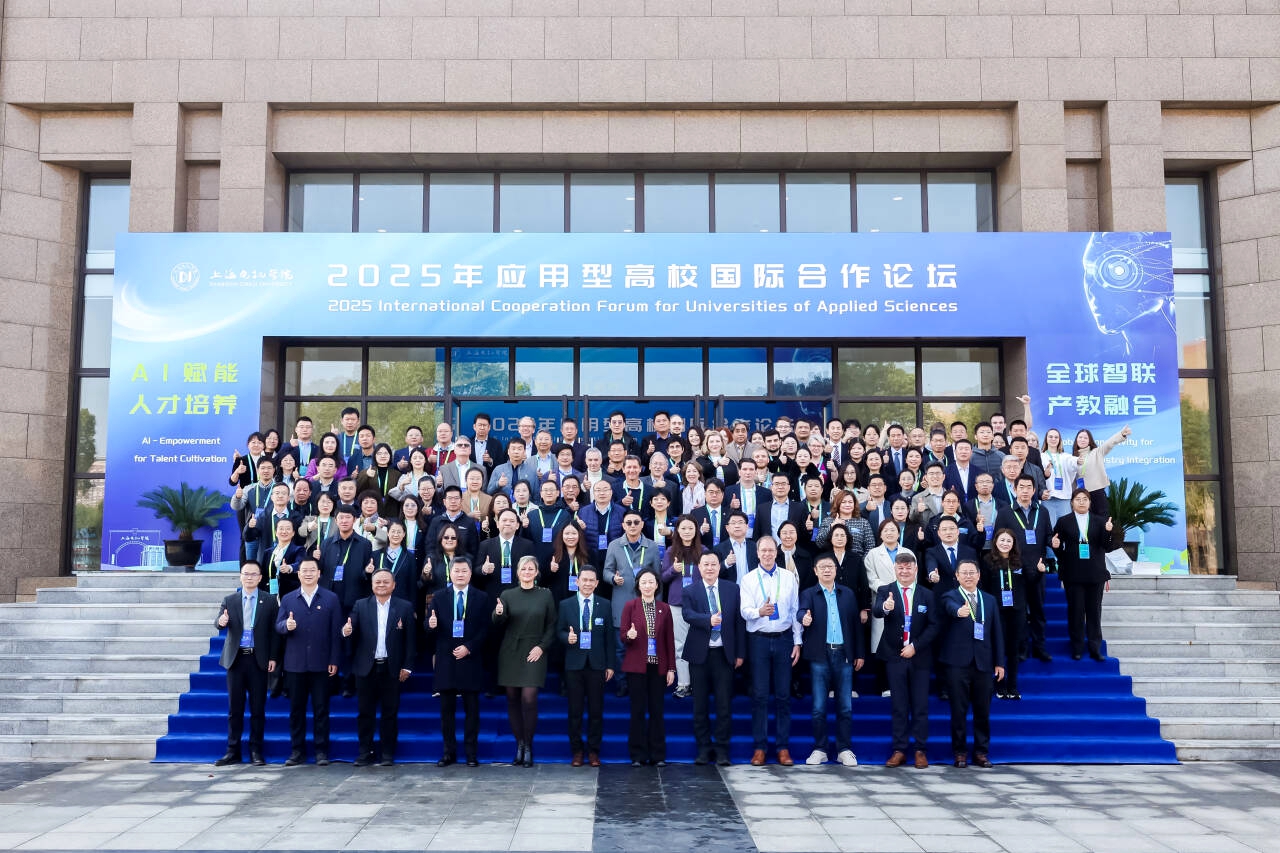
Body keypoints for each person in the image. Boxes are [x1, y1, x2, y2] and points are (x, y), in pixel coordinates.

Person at [873, 551, 940, 769]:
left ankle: (920, 750)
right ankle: (899, 750)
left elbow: (934, 625)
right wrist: (886, 607)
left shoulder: (927, 594)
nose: (904, 572)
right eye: (900, 568)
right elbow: (876, 611)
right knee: (899, 706)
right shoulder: (886, 591)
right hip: (894, 657)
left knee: (920, 706)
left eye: (908, 568)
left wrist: (915, 646)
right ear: (895, 569)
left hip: (920, 657)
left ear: (915, 569)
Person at [739, 535, 802, 766]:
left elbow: (795, 610)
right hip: (759, 640)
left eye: (771, 550)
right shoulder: (748, 579)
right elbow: (744, 611)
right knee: (760, 696)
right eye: (763, 550)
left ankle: (783, 747)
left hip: (784, 639)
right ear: (757, 553)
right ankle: (760, 748)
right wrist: (759, 612)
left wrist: (797, 642)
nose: (767, 554)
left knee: (784, 695)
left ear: (777, 552)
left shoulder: (788, 577)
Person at [342, 568, 415, 767]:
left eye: (385, 582)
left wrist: (408, 666)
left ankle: (387, 753)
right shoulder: (360, 605)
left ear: (394, 585)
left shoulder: (405, 607)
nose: (381, 585)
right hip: (366, 668)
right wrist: (346, 631)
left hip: (392, 668)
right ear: (372, 584)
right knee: (365, 713)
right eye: (378, 582)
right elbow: (351, 629)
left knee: (390, 713)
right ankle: (365, 752)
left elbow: (410, 641)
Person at [798, 555, 865, 767]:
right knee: (819, 707)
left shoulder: (847, 594)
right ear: (815, 571)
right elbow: (801, 611)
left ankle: (844, 749)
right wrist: (804, 618)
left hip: (844, 654)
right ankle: (820, 749)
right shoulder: (809, 593)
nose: (827, 570)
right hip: (820, 655)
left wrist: (859, 653)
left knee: (845, 706)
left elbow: (856, 625)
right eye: (822, 567)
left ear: (836, 570)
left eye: (830, 566)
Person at [275, 558, 342, 766]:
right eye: (304, 570)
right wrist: (287, 625)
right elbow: (278, 626)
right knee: (296, 710)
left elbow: (336, 632)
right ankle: (297, 751)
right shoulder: (288, 599)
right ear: (298, 574)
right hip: (295, 664)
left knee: (321, 709)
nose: (308, 574)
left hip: (321, 663)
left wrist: (334, 659)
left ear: (319, 573)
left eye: (312, 570)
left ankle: (321, 751)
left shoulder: (331, 598)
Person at [681, 550, 745, 766]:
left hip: (724, 655)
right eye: (705, 564)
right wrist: (708, 620)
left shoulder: (732, 589)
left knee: (724, 705)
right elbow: (687, 615)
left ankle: (722, 750)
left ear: (720, 566)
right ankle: (703, 749)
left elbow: (738, 622)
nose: (709, 568)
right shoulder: (690, 590)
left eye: (713, 564)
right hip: (699, 655)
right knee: (700, 705)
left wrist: (740, 653)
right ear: (699, 568)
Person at [939, 560, 1006, 768]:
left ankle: (981, 752)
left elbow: (997, 633)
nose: (968, 576)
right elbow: (950, 608)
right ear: (957, 576)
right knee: (958, 711)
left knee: (982, 711)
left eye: (972, 572)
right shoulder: (950, 596)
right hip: (957, 663)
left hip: (983, 663)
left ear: (978, 575)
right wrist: (959, 611)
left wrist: (999, 662)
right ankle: (960, 753)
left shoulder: (989, 600)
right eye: (964, 573)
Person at [214, 562, 281, 767]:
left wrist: (273, 657)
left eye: (254, 574)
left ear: (260, 577)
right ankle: (232, 750)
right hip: (236, 659)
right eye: (246, 574)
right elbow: (218, 622)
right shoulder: (230, 600)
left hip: (258, 659)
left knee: (257, 708)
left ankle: (255, 751)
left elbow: (275, 633)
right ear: (240, 576)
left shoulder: (269, 601)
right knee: (235, 708)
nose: (249, 577)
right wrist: (221, 622)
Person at [426, 556, 490, 767]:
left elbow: (485, 629)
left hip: (470, 659)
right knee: (447, 712)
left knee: (472, 711)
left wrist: (469, 647)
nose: (460, 574)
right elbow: (428, 628)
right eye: (457, 571)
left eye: (464, 571)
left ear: (470, 573)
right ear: (450, 573)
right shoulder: (438, 597)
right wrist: (430, 624)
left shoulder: (481, 597)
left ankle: (471, 754)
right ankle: (448, 753)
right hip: (446, 659)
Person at [493, 555, 557, 767]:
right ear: (517, 572)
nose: (527, 572)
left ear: (537, 572)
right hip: (511, 651)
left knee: (529, 698)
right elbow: (498, 621)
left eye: (531, 569)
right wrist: (498, 613)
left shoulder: (545, 594)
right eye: (523, 569)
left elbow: (552, 625)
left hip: (535, 650)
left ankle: (528, 745)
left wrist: (541, 647)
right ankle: (519, 744)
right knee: (512, 699)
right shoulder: (507, 594)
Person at [558, 565, 615, 767]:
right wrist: (567, 637)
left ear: (597, 583)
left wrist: (610, 665)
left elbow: (610, 637)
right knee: (575, 711)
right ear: (577, 582)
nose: (588, 584)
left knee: (596, 711)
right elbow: (558, 631)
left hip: (597, 664)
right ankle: (577, 751)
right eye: (585, 580)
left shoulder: (605, 604)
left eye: (592, 580)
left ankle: (593, 751)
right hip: (574, 664)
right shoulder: (565, 605)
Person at [994, 474, 1055, 663]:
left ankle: (1040, 647)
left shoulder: (1042, 511)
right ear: (1015, 489)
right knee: (1019, 612)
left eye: (1029, 487)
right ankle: (1021, 648)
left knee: (1038, 611)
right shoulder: (1005, 512)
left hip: (1037, 568)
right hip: (1015, 570)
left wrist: (1052, 545)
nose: (1025, 490)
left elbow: (1048, 536)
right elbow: (998, 539)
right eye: (1021, 487)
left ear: (1034, 490)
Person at [620, 567, 676, 766]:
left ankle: (658, 755)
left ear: (657, 585)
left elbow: (669, 640)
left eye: (651, 582)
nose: (647, 585)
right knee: (637, 711)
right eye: (643, 582)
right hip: (636, 667)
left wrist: (671, 668)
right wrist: (629, 635)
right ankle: (637, 755)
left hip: (658, 668)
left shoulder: (664, 608)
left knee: (656, 711)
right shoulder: (630, 606)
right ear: (638, 585)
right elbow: (623, 635)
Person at [603, 510, 663, 697]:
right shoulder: (614, 545)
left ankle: (641, 683)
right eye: (628, 522)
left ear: (642, 524)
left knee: (644, 645)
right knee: (621, 647)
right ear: (623, 525)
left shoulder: (652, 546)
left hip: (646, 604)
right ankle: (622, 683)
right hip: (621, 603)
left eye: (636, 522)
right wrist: (613, 578)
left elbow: (658, 578)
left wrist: (658, 607)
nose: (632, 526)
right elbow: (606, 572)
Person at [1051, 488, 1114, 661]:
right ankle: (1077, 647)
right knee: (1076, 612)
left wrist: (1108, 531)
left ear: (1090, 502)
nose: (1081, 502)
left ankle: (1095, 648)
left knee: (1094, 612)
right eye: (1078, 499)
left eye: (1085, 499)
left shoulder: (1100, 521)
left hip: (1095, 573)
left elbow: (1106, 546)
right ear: (1072, 502)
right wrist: (1055, 546)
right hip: (1073, 574)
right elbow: (1058, 547)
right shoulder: (1064, 521)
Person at [660, 515, 707, 698]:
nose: (687, 532)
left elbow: (709, 575)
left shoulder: (703, 551)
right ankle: (683, 684)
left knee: (699, 645)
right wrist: (674, 570)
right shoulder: (670, 551)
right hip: (677, 604)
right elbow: (663, 578)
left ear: (696, 531)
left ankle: (698, 683)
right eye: (683, 528)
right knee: (679, 645)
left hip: (698, 605)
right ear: (677, 531)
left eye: (690, 528)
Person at [982, 529, 1027, 700]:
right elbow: (984, 587)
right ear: (995, 541)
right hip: (996, 611)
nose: (1005, 543)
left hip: (1016, 610)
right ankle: (999, 686)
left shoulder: (1019, 561)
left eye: (1009, 541)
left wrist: (1038, 571)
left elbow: (1028, 584)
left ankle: (1012, 686)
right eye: (1002, 540)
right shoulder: (987, 561)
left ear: (1013, 543)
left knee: (1014, 649)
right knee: (998, 647)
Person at [1073, 425, 1132, 516]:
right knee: (1085, 521)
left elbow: (1109, 443)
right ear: (1076, 440)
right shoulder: (1073, 458)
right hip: (1082, 496)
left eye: (1085, 438)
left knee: (1102, 520)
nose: (1082, 440)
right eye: (1080, 437)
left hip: (1097, 493)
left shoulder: (1097, 452)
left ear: (1089, 441)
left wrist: (1121, 434)